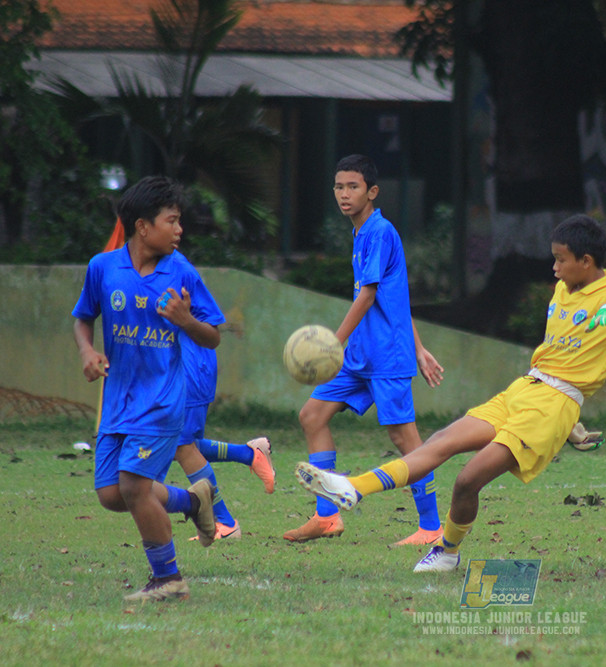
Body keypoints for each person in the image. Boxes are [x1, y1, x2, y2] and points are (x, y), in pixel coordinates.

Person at [294, 214, 606, 572]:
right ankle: (352, 487)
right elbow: (562, 359)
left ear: (586, 261)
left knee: (467, 480)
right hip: (524, 389)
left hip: (549, 409)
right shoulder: (563, 290)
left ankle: (447, 550)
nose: (553, 268)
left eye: (561, 260)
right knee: (439, 441)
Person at [73, 176, 225, 601]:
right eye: (171, 221)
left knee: (135, 488)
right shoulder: (102, 268)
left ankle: (168, 579)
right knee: (111, 494)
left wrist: (185, 320)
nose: (180, 230)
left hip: (161, 401)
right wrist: (87, 351)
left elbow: (212, 335)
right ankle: (193, 502)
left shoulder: (182, 272)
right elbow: (83, 317)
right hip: (117, 402)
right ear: (143, 227)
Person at [283, 154, 445, 545]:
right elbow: (396, 299)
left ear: (372, 192)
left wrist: (332, 343)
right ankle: (327, 518)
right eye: (338, 187)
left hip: (384, 356)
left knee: (405, 439)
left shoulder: (380, 231)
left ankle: (431, 527)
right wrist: (420, 348)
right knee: (312, 416)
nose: (344, 194)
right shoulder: (361, 232)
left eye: (352, 187)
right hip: (360, 356)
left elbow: (370, 295)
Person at [173, 329, 276, 541]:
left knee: (180, 446)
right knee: (175, 445)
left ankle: (225, 523)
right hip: (166, 366)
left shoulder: (190, 295)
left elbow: (210, 327)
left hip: (185, 367)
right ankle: (249, 454)